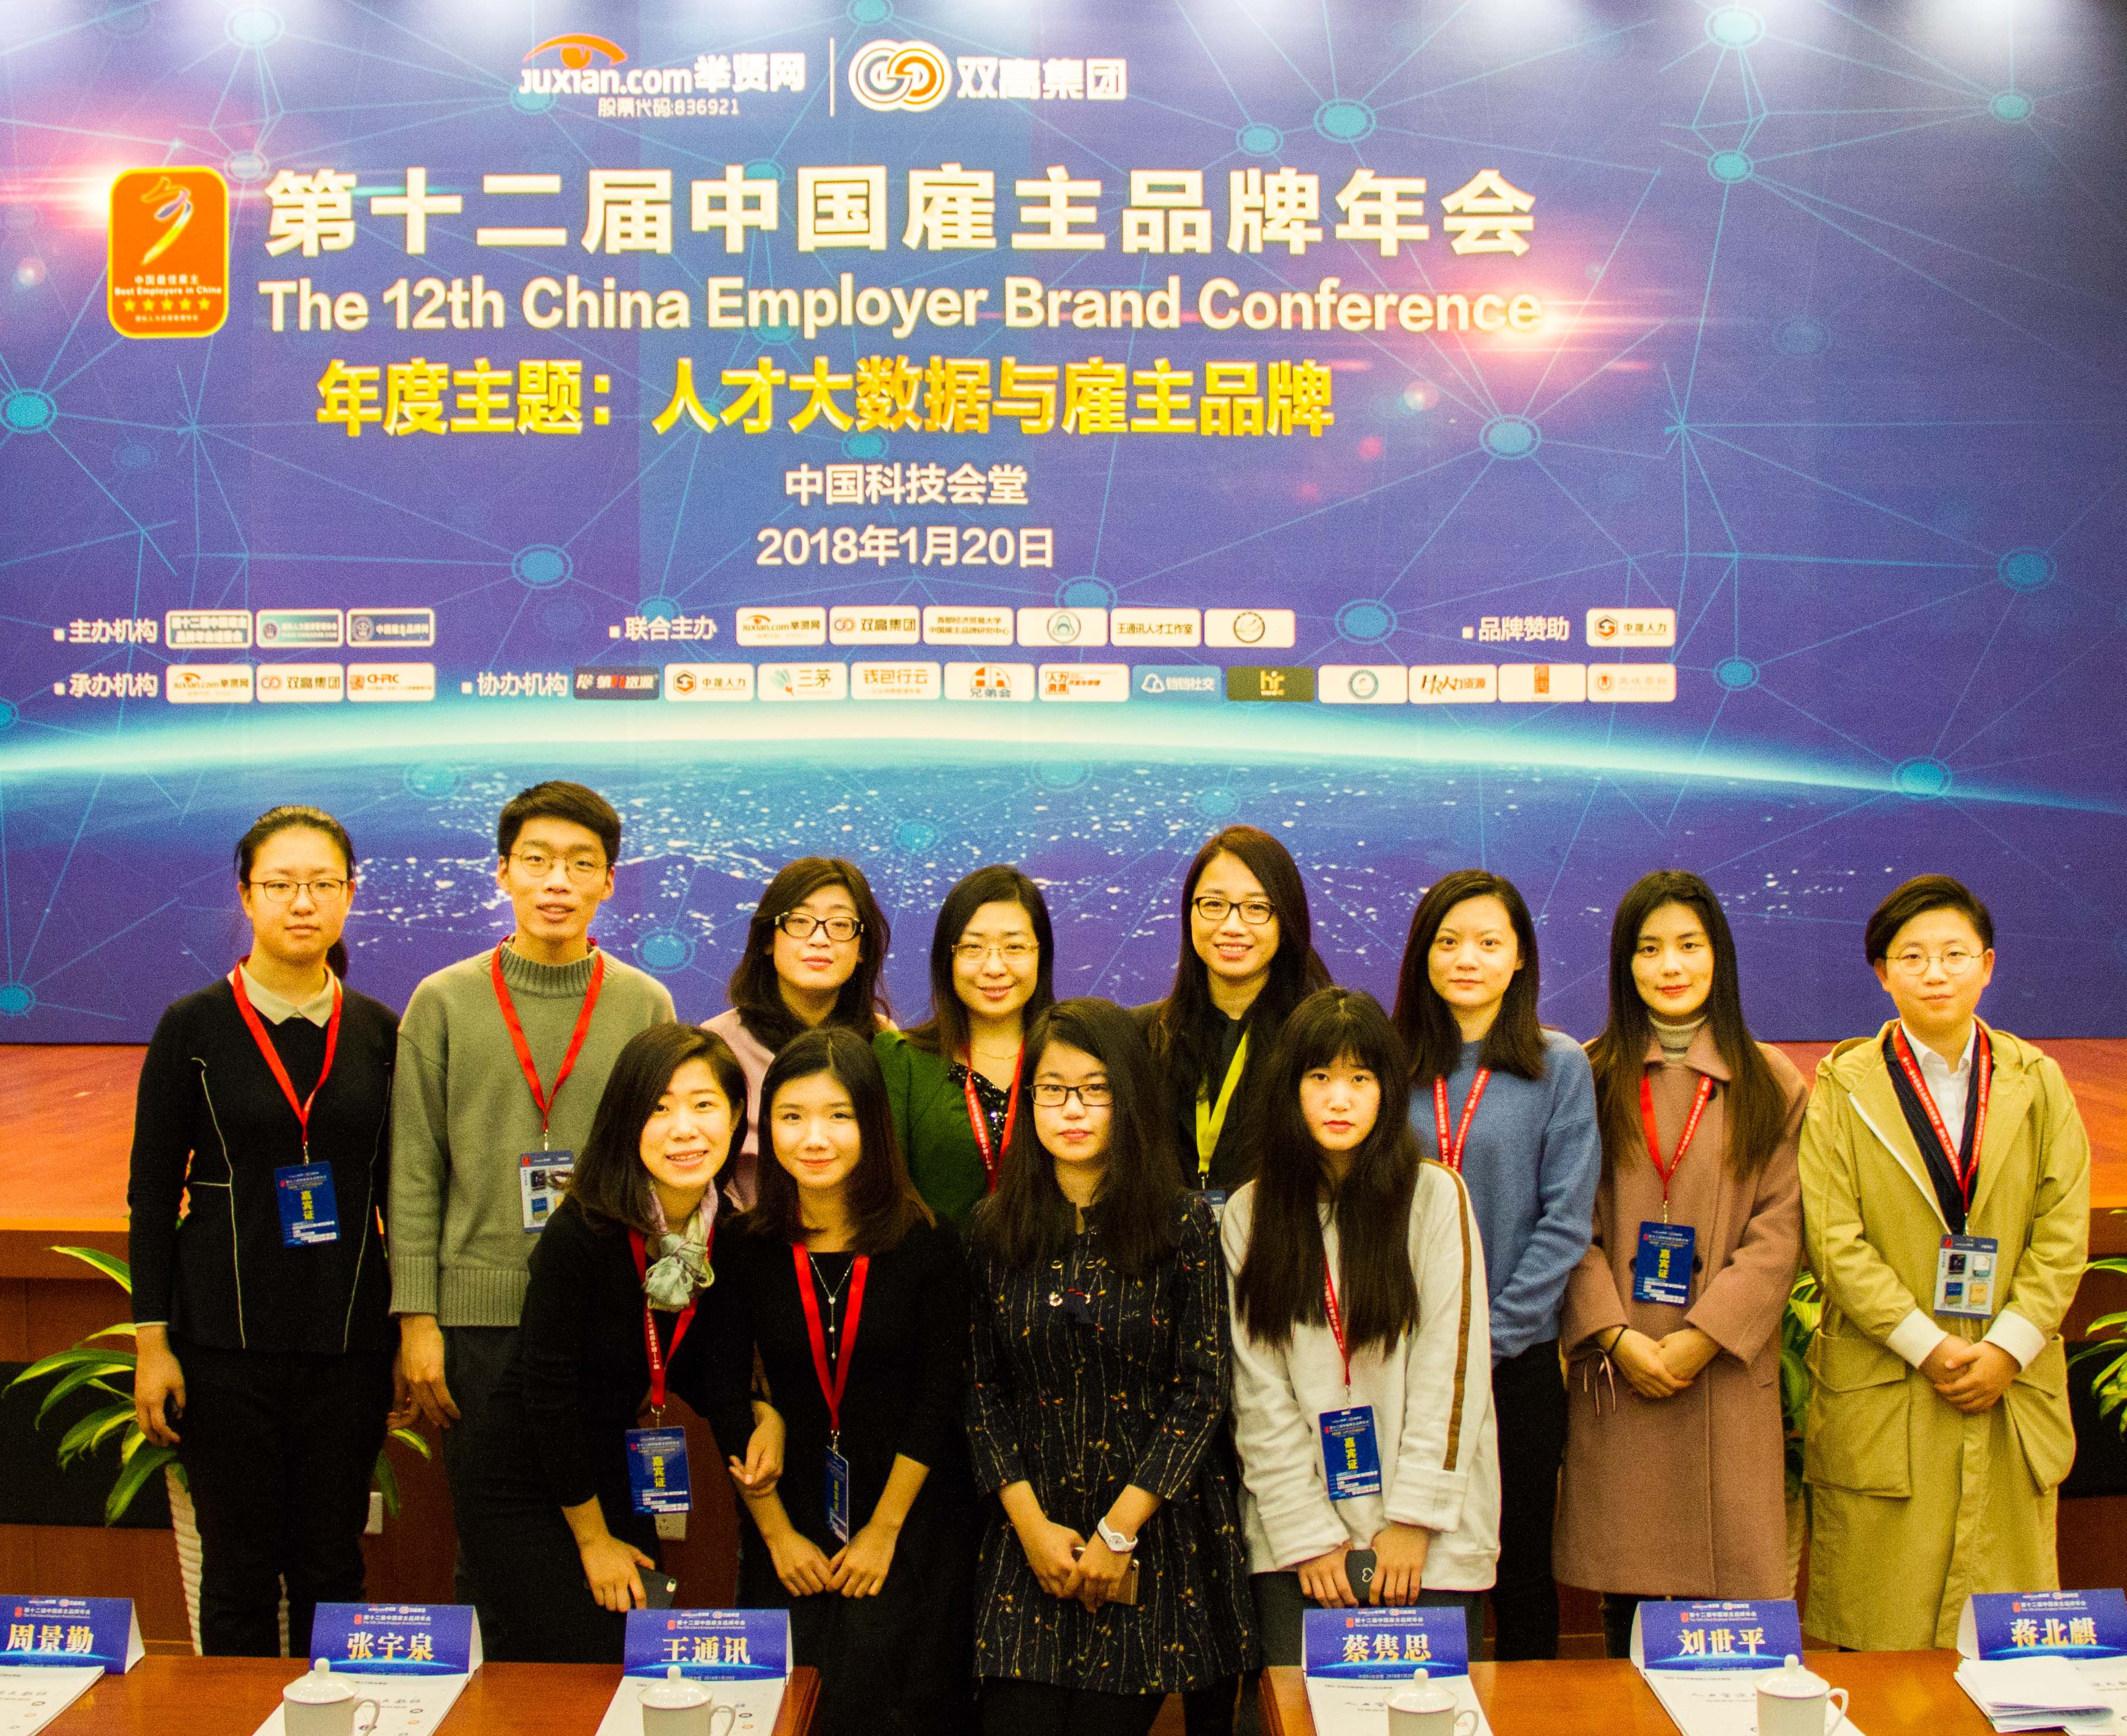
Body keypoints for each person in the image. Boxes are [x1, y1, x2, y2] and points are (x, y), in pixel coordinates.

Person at [389, 780, 677, 1642]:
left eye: (581, 864)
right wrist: (419, 1319)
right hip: (479, 1325)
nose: (557, 881)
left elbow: (662, 1168)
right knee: (497, 1551)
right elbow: (415, 1169)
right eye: (537, 860)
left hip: (602, 1319)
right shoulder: (442, 1001)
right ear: (503, 871)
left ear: (609, 881)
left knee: (618, 1549)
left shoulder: (645, 1004)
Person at [127, 806, 399, 1656]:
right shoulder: (193, 1025)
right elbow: (150, 1193)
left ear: (350, 894)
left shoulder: (379, 1031)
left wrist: (409, 1327)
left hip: (347, 1344)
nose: (302, 902)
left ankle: (336, 1710)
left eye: (322, 883)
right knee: (238, 1574)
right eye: (280, 884)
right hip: (223, 1345)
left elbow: (404, 1193)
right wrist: (152, 1341)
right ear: (245, 896)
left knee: (332, 1566)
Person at [1799, 875, 2090, 1651]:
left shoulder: (2037, 1082)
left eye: (1954, 954)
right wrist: (1928, 1344)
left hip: (2009, 1384)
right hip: (1891, 1384)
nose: (1935, 973)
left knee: (2007, 1647)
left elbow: (2062, 1231)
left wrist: (2007, 1349)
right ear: (1882, 972)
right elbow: (1833, 1238)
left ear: (1987, 965)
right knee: (1881, 1639)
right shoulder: (1843, 1086)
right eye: (1912, 956)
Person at [967, 998, 1255, 1736]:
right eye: (1053, 1089)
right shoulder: (994, 1229)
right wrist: (1031, 1527)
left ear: (1130, 1099)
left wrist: (1118, 1532)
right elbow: (981, 1390)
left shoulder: (1183, 1222)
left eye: (1095, 1090)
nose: (1072, 1109)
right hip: (1031, 1533)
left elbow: (1203, 1390)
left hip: (1151, 1532)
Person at [454, 1023, 783, 1662]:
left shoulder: (726, 1232)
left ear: (736, 1116)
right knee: (580, 1661)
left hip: (610, 1465)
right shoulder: (584, 1229)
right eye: (659, 1108)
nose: (684, 1129)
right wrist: (592, 1540)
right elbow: (546, 1394)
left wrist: (760, 1413)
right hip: (524, 1474)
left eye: (704, 1104)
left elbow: (707, 1373)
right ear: (627, 1120)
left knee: (634, 1650)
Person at [1555, 872, 1806, 1657]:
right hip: (1620, 1369)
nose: (1670, 965)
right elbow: (1568, 1227)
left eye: (1689, 945)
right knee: (1627, 1602)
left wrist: (1703, 1336)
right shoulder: (1588, 1075)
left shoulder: (1771, 1080)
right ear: (1624, 963)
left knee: (1728, 1622)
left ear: (1717, 956)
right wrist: (1614, 1334)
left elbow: (1780, 1231)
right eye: (1649, 947)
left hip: (1721, 1371)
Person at [1224, 988, 1499, 1666]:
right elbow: (1257, 1395)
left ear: (1388, 1091)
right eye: (1319, 1078)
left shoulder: (1435, 1196)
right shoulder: (1249, 1214)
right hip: (1302, 1550)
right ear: (1289, 1090)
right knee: (1300, 1710)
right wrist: (1306, 1534)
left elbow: (1452, 1373)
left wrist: (1414, 1520)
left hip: (1430, 1541)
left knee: (1427, 1708)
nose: (1339, 1099)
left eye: (1360, 1079)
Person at [721, 1028, 976, 1736]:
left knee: (892, 1699)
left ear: (874, 1124)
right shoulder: (744, 1246)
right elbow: (724, 1390)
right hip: (790, 1513)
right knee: (791, 1707)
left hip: (909, 1516)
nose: (815, 1138)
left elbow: (939, 1397)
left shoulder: (927, 1242)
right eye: (792, 1116)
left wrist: (882, 1533)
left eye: (839, 1115)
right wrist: (778, 1536)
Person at [1389, 869, 1599, 1661]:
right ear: (1423, 955)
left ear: (1519, 958)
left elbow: (1565, 1220)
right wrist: (1431, 1350)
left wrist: (1488, 1339)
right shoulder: (1388, 1063)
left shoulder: (1557, 1064)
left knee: (1520, 1572)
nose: (1466, 958)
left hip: (1515, 1364)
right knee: (1415, 1560)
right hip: (1405, 1362)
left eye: (1488, 941)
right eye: (1448, 941)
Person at [706, 857, 894, 1207]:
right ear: (768, 939)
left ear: (862, 949)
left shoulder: (885, 1042)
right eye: (799, 922)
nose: (819, 939)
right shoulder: (718, 1045)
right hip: (744, 1231)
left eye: (841, 925)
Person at [875, 865, 1056, 1228]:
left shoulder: (1076, 1057)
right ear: (948, 958)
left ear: (1042, 954)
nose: (995, 967)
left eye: (1015, 947)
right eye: (973, 947)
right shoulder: (901, 1060)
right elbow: (883, 1200)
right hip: (934, 1262)